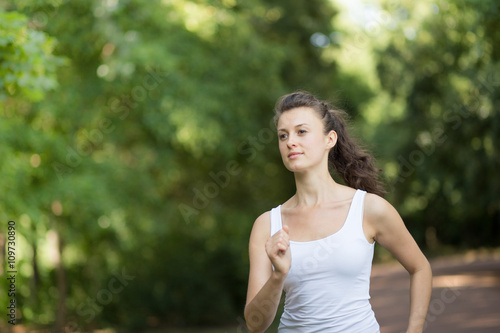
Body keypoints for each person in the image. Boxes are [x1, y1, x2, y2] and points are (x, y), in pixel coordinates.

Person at [244, 91, 432, 332]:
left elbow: (420, 268)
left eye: (301, 131)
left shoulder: (368, 208)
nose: (290, 141)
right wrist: (278, 275)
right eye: (283, 135)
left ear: (329, 139)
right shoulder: (266, 225)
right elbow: (254, 324)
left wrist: (414, 330)